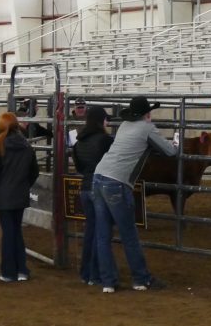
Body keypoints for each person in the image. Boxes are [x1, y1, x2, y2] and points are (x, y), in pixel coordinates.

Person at [92, 96, 176, 293]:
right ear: (147, 113)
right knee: (129, 234)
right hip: (117, 182)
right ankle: (141, 278)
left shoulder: (123, 126)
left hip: (99, 175)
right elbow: (170, 151)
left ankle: (108, 282)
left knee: (103, 235)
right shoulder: (146, 128)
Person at [0, 112, 40, 283]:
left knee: (9, 233)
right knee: (16, 232)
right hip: (19, 194)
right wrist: (24, 185)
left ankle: (8, 271)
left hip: (3, 196)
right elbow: (34, 171)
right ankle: (22, 269)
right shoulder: (26, 145)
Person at [72, 106, 114, 285]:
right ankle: (96, 274)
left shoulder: (78, 142)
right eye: (106, 119)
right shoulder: (105, 140)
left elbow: (80, 168)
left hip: (85, 187)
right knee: (102, 231)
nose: (107, 122)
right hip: (100, 187)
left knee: (90, 230)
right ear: (100, 120)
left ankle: (86, 273)